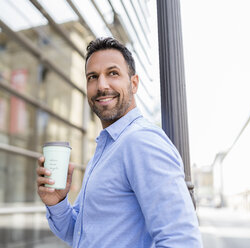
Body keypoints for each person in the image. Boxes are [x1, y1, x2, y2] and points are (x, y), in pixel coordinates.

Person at [36, 37, 202, 247]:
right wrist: (58, 202)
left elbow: (181, 240)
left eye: (112, 73)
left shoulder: (141, 141)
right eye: (92, 77)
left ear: (133, 83)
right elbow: (78, 234)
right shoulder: (108, 147)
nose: (101, 85)